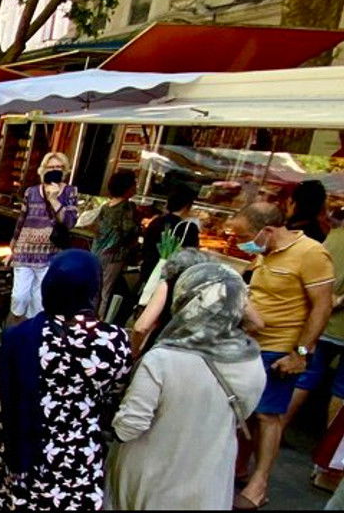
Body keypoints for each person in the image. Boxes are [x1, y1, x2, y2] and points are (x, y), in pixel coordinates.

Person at [0, 249, 133, 510]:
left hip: (13, 453)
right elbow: (115, 391)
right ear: (93, 289)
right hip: (72, 461)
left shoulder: (21, 336)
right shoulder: (114, 342)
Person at [106, 262, 266, 511]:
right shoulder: (251, 358)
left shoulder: (163, 359)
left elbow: (129, 427)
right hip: (210, 476)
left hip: (152, 475)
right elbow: (242, 413)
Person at [230, 201, 335, 510]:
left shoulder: (311, 253)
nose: (243, 242)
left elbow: (322, 306)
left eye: (246, 235)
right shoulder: (266, 253)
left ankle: (259, 483)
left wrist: (300, 353)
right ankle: (240, 469)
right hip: (253, 344)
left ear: (268, 230)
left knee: (268, 415)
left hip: (280, 347)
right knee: (247, 411)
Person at [7, 152, 78, 323]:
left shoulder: (70, 192)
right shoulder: (31, 192)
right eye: (51, 167)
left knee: (38, 303)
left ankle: (31, 335)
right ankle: (14, 331)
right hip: (25, 250)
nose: (55, 170)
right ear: (43, 169)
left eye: (59, 167)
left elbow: (69, 222)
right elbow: (22, 218)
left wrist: (54, 200)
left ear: (65, 170)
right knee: (19, 297)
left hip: (50, 254)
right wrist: (14, 243)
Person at [288, 211, 344, 425]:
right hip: (335, 325)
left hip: (321, 324)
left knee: (305, 377)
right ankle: (328, 452)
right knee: (341, 389)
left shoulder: (333, 237)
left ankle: (279, 426)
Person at [130, 248, 212, 355]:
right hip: (188, 351)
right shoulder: (205, 291)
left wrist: (133, 353)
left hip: (160, 347)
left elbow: (141, 327)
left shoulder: (168, 286)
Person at [89, 170, 141, 319]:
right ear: (128, 187)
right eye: (134, 184)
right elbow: (128, 230)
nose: (136, 187)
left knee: (95, 289)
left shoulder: (106, 207)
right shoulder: (127, 207)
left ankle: (87, 318)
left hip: (97, 252)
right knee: (105, 292)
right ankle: (98, 321)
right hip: (113, 256)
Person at [139, 186, 202, 283]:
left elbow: (146, 247)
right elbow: (191, 255)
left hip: (148, 271)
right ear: (187, 206)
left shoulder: (156, 221)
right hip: (168, 278)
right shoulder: (188, 228)